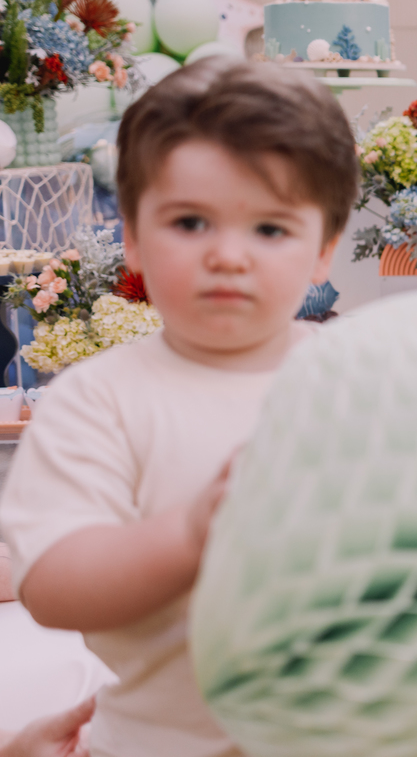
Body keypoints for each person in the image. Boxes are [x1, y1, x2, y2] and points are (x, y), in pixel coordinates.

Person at [0, 57, 359, 757]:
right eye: (190, 222)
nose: (228, 255)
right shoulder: (99, 400)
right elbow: (53, 583)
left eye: (270, 229)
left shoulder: (363, 380)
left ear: (324, 250)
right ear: (132, 236)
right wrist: (192, 535)